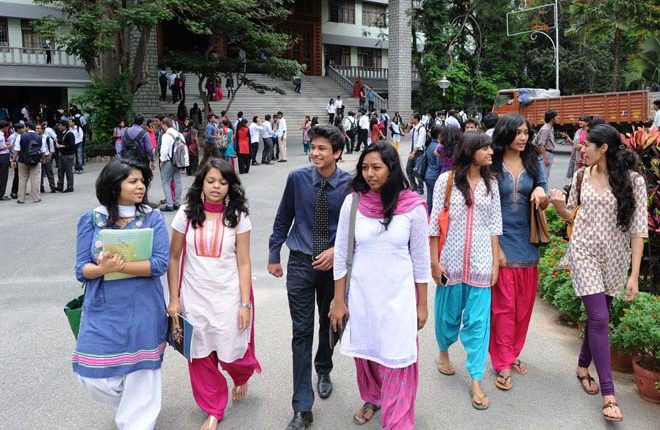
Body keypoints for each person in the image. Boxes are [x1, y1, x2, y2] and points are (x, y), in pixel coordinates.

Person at [549, 124, 647, 423]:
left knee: (598, 317)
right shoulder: (581, 176)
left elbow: (638, 230)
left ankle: (582, 366)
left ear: (603, 148)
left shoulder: (633, 181)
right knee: (600, 318)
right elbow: (571, 215)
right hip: (584, 253)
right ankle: (609, 394)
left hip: (616, 259)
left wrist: (634, 275)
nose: (581, 148)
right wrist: (558, 206)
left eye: (587, 144)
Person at [329, 142, 430, 429]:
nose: (369, 174)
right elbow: (341, 253)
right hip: (362, 296)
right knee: (367, 354)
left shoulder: (412, 206)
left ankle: (397, 422)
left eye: (376, 167)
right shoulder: (354, 203)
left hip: (399, 299)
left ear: (392, 169)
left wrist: (422, 305)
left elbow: (421, 260)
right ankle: (373, 397)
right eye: (364, 168)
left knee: (399, 358)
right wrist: (339, 300)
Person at [73, 159, 168, 430]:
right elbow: (81, 269)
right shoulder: (92, 219)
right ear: (115, 186)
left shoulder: (152, 217)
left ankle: (137, 421)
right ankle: (131, 406)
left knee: (142, 372)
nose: (141, 186)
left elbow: (160, 263)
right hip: (103, 307)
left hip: (143, 306)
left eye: (143, 181)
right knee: (93, 377)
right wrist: (102, 269)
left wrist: (122, 267)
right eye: (133, 181)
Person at [167, 159, 261, 430]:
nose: (216, 186)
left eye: (222, 182)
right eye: (211, 181)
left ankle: (242, 375)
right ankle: (213, 409)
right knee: (199, 355)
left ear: (230, 186)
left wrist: (245, 304)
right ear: (201, 183)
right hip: (194, 295)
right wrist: (174, 299)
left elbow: (244, 262)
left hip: (229, 296)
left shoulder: (238, 216)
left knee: (234, 352)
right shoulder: (186, 213)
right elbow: (174, 258)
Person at [268, 125, 351, 430]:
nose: (315, 153)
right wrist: (274, 254)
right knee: (301, 331)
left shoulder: (351, 185)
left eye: (322, 148)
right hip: (301, 262)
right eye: (313, 147)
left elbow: (356, 229)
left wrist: (335, 251)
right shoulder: (297, 179)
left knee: (332, 322)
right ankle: (302, 407)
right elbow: (283, 216)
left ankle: (324, 366)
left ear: (337, 153)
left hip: (334, 269)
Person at [429, 133, 502, 411]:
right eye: (485, 148)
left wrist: (495, 263)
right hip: (451, 261)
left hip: (482, 263)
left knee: (479, 323)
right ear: (471, 151)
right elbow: (434, 223)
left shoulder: (491, 184)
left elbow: (495, 225)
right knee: (446, 315)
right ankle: (443, 352)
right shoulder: (445, 181)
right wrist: (434, 262)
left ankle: (475, 379)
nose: (491, 152)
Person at [489, 114, 548, 391]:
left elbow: (543, 190)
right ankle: (502, 361)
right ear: (505, 134)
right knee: (503, 308)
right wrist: (495, 248)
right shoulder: (492, 161)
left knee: (523, 308)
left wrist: (540, 192)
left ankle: (512, 352)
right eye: (518, 132)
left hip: (528, 243)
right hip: (500, 243)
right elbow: (483, 205)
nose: (523, 137)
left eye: (526, 132)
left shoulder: (533, 160)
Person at [11, 121, 48, 204]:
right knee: (35, 179)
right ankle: (36, 198)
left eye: (25, 127)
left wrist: (13, 160)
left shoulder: (20, 136)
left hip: (22, 161)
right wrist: (43, 160)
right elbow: (43, 151)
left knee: (22, 179)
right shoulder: (40, 137)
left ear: (27, 127)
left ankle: (21, 198)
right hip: (36, 161)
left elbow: (16, 150)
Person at [159, 117, 183, 212]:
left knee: (165, 181)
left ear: (164, 124)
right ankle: (177, 203)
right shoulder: (179, 134)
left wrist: (162, 161)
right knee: (178, 181)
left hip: (169, 161)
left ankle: (169, 205)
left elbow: (164, 151)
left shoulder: (166, 135)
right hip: (179, 161)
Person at [424, 125, 444, 213]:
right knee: (436, 200)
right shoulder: (437, 146)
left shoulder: (429, 144)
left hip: (427, 175)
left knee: (429, 199)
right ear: (439, 135)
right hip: (435, 176)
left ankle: (428, 215)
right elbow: (438, 164)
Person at [406, 113, 426, 195]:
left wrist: (413, 153)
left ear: (416, 119)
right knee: (408, 169)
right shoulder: (415, 128)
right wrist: (409, 125)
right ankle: (414, 186)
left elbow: (419, 143)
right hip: (413, 151)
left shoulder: (421, 129)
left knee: (417, 171)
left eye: (412, 118)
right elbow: (407, 133)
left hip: (418, 152)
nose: (410, 119)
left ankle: (420, 188)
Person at [536, 111, 558, 181]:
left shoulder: (550, 128)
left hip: (549, 153)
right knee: (544, 176)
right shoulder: (545, 129)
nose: (558, 118)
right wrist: (545, 158)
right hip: (546, 153)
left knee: (546, 174)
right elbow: (541, 144)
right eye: (556, 117)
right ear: (552, 119)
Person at [56, 120, 76, 192]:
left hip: (68, 155)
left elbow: (72, 146)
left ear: (64, 126)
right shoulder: (61, 133)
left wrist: (62, 146)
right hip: (62, 155)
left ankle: (70, 186)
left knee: (68, 171)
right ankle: (60, 186)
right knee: (60, 171)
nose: (59, 127)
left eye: (60, 125)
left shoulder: (70, 134)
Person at [37, 123, 57, 193]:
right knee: (39, 173)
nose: (37, 130)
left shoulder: (48, 138)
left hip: (46, 156)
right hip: (38, 157)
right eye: (36, 128)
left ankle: (52, 187)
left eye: (38, 128)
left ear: (43, 130)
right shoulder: (36, 137)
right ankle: (41, 188)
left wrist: (49, 158)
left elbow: (52, 149)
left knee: (49, 172)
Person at [0, 121, 11, 200]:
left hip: (3, 156)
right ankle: (1, 194)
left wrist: (5, 144)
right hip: (3, 156)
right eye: (7, 127)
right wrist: (8, 147)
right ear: (4, 127)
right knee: (3, 176)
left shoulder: (2, 135)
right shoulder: (0, 135)